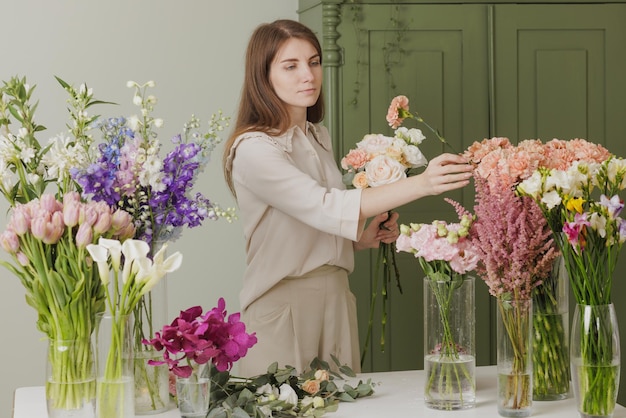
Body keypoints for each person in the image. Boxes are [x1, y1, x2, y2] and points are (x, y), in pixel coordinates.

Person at [222, 19, 472, 376]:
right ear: (263, 76)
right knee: (281, 411)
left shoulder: (317, 136)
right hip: (282, 305)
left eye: (313, 62)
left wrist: (357, 239)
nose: (307, 75)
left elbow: (306, 222)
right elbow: (325, 206)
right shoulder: (254, 149)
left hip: (337, 298)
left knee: (342, 407)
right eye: (290, 66)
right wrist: (424, 184)